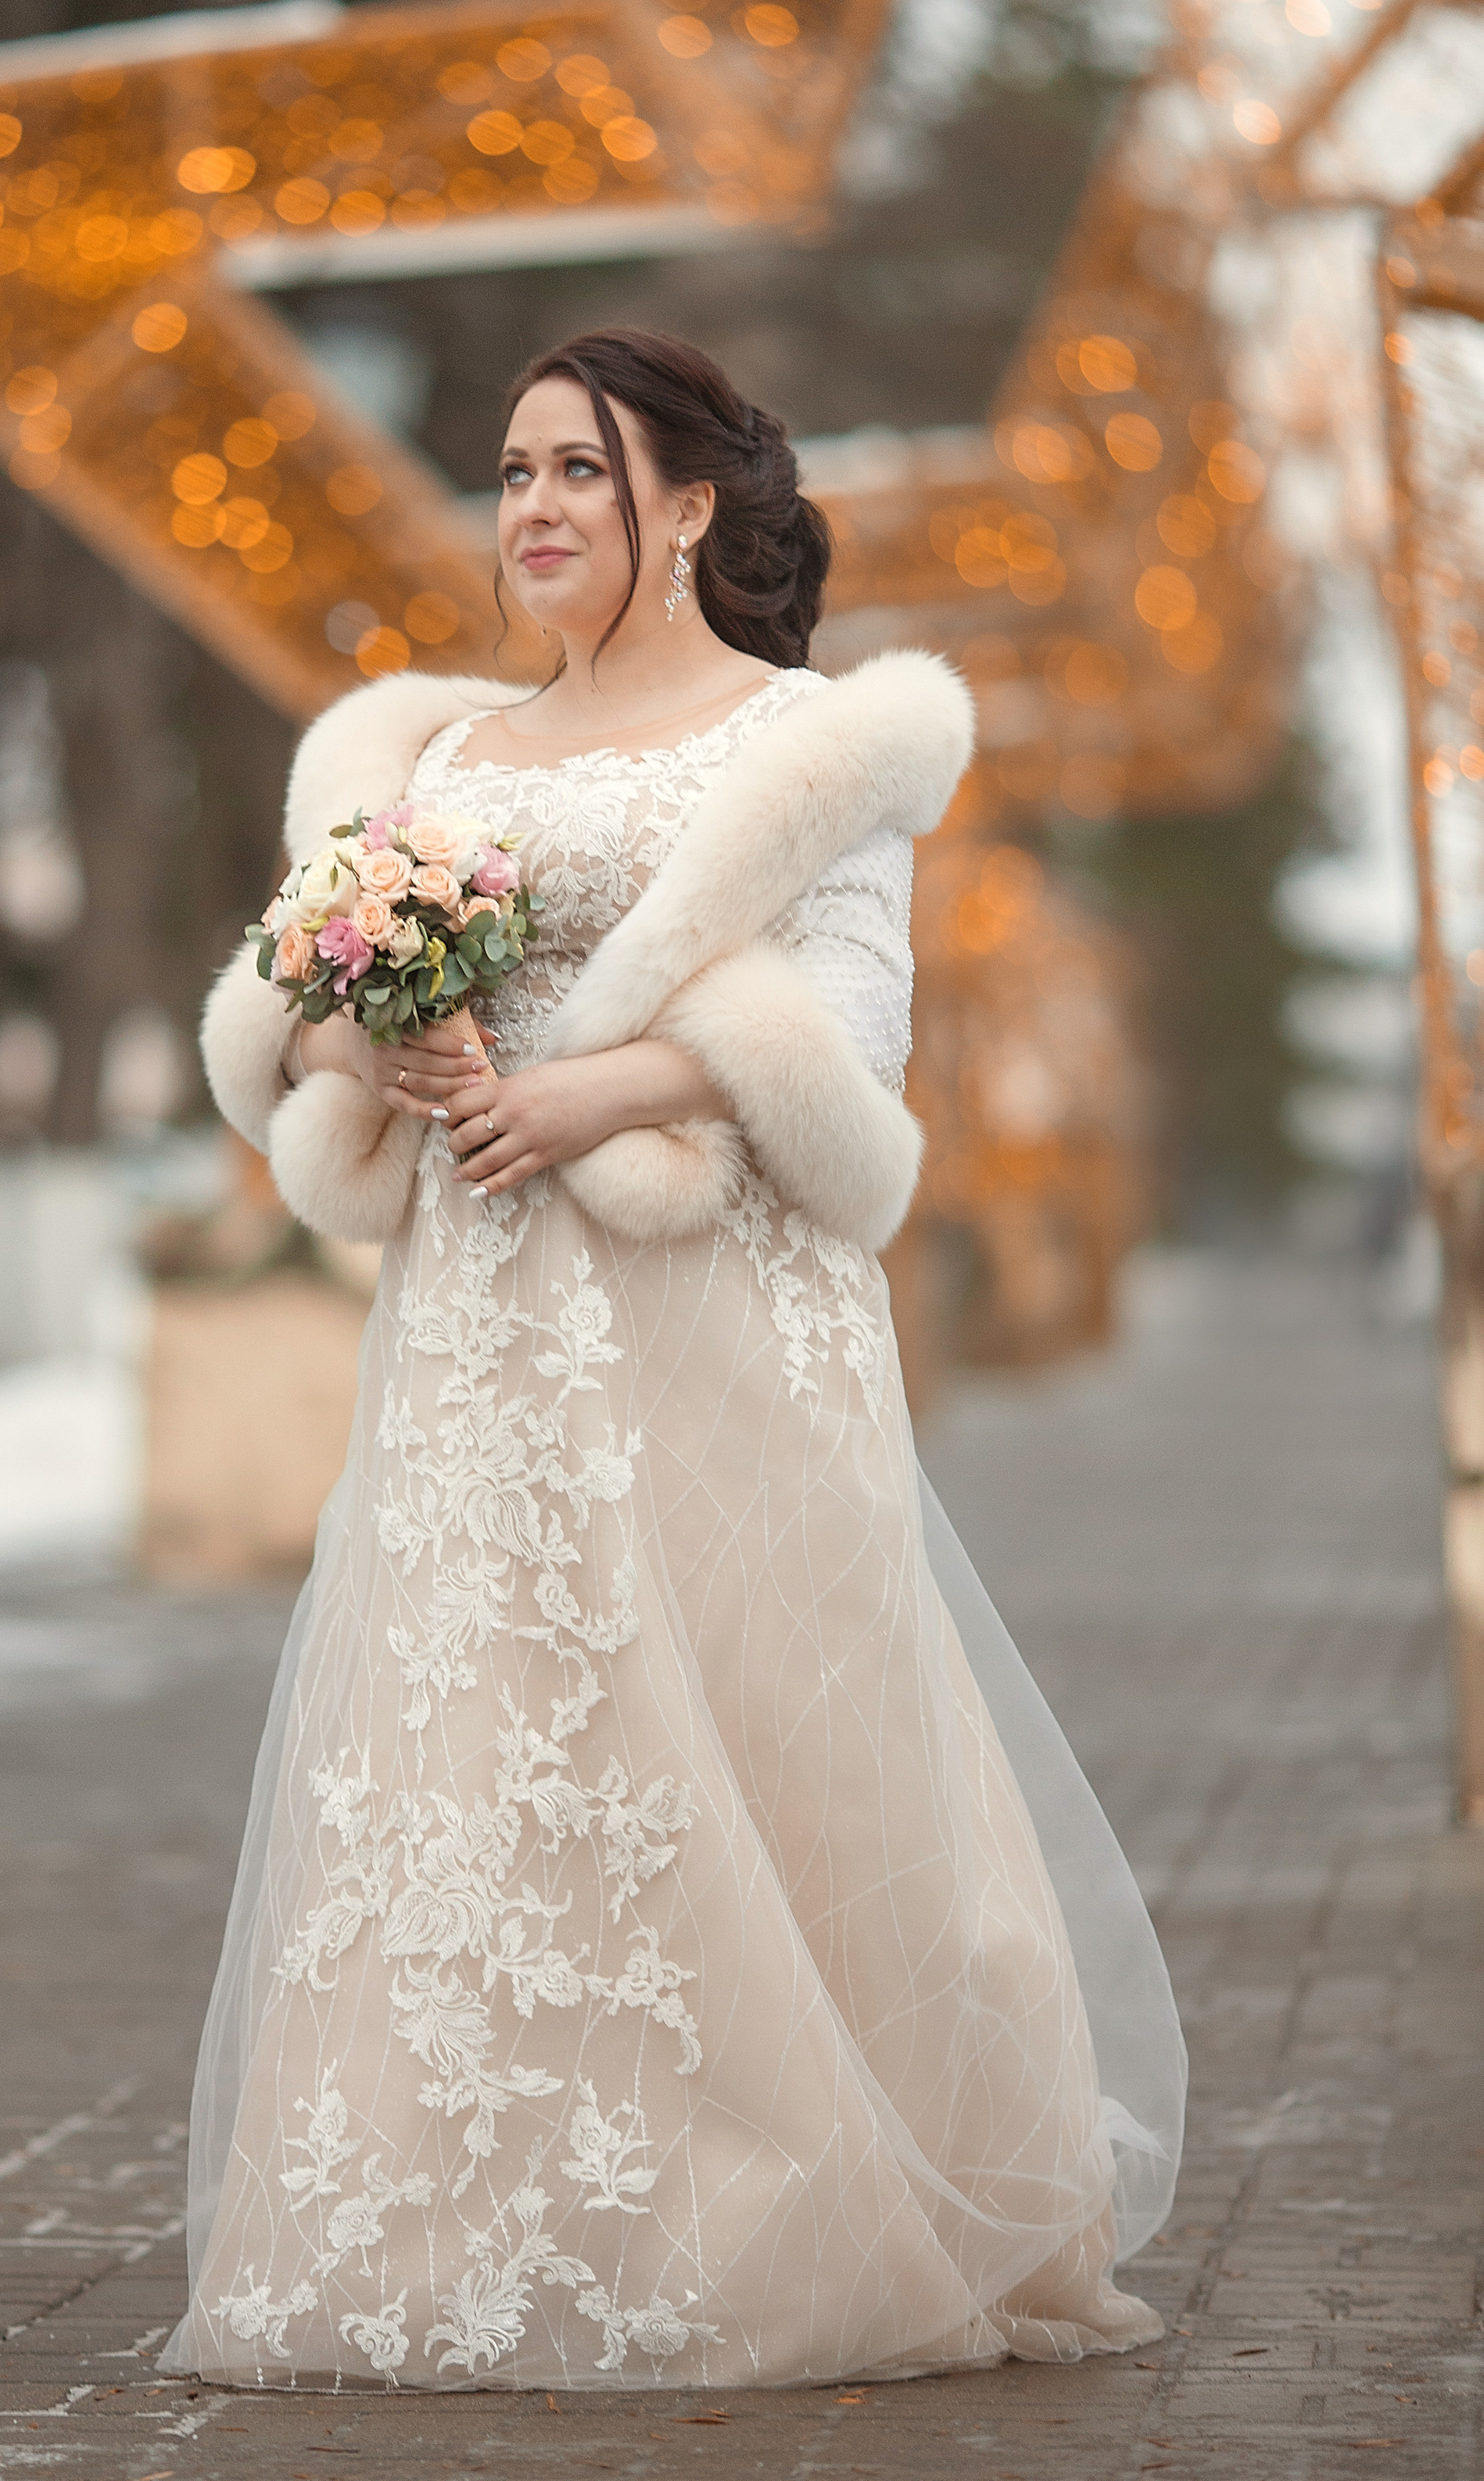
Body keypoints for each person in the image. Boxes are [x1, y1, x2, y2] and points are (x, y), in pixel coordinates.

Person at [169, 327, 1184, 2391]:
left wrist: (590, 1084)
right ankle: (470, 2216)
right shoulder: (436, 763)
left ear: (692, 504)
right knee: (489, 1740)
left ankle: (803, 2209)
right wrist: (388, 1034)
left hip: (720, 1318)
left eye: (582, 469)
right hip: (480, 1338)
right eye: (513, 469)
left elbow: (858, 1026)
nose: (534, 506)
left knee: (772, 1728)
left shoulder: (805, 749)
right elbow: (298, 1006)